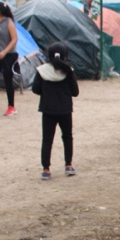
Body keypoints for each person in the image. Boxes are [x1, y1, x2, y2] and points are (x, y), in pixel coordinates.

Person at [33, 42, 80, 181]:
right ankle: (69, 165)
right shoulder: (68, 71)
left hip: (47, 110)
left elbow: (36, 89)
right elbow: (75, 92)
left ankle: (46, 169)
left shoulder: (42, 71)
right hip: (65, 110)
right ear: (65, 57)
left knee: (47, 139)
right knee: (67, 137)